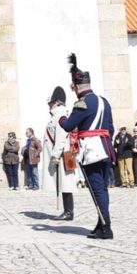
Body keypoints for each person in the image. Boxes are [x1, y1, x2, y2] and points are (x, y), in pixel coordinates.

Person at [58, 54, 115, 240]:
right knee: (102, 187)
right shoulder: (103, 101)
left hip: (92, 151)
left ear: (76, 87)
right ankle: (101, 224)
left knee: (96, 188)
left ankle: (106, 228)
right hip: (105, 148)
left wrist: (61, 115)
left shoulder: (81, 103)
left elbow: (67, 126)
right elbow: (111, 128)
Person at [45, 87, 75, 221]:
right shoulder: (56, 114)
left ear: (56, 102)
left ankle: (69, 212)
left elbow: (61, 136)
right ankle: (67, 210)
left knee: (66, 183)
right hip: (61, 153)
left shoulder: (61, 114)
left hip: (64, 154)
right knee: (62, 183)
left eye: (51, 102)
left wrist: (55, 155)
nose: (49, 105)